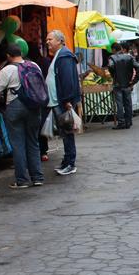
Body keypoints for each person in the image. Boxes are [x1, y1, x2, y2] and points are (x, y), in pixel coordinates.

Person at [0, 43, 44, 188]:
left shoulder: (7, 69)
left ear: (8, 56)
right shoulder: (34, 65)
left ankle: (22, 180)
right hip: (34, 107)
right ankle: (37, 177)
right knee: (33, 142)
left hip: (15, 107)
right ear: (21, 53)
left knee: (18, 144)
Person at [46, 29, 81, 176]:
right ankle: (67, 161)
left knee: (67, 132)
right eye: (47, 39)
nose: (47, 42)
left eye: (50, 39)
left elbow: (67, 80)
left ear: (60, 41)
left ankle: (70, 163)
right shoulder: (59, 55)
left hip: (62, 101)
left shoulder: (64, 56)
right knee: (64, 132)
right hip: (57, 101)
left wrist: (67, 100)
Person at [107, 43, 139, 129]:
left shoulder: (112, 58)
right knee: (128, 103)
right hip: (127, 84)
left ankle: (121, 122)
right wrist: (133, 81)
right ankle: (128, 121)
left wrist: (113, 75)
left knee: (120, 104)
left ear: (114, 50)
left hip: (117, 84)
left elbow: (110, 66)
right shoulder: (129, 57)